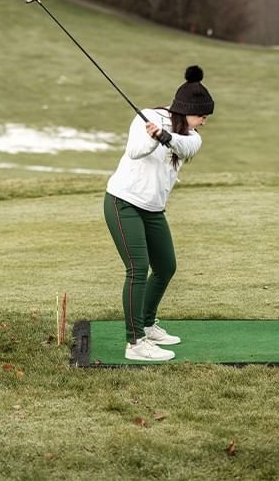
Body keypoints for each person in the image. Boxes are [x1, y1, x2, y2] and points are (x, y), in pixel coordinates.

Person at [103, 65, 214, 361]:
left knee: (166, 267)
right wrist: (154, 136)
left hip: (153, 209)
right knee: (138, 268)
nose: (204, 122)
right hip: (123, 201)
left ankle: (148, 324)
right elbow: (134, 151)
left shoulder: (192, 136)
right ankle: (135, 342)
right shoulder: (147, 117)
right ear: (188, 110)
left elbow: (186, 146)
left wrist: (165, 136)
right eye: (202, 116)